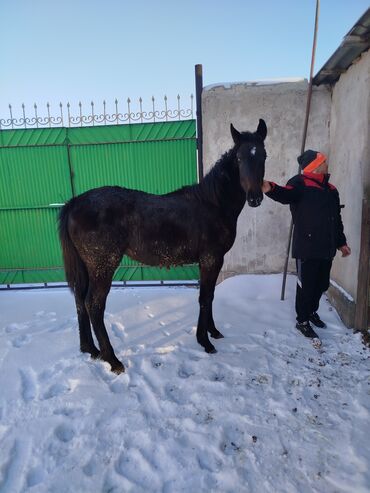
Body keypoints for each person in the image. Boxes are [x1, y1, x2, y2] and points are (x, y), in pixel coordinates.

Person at [262, 149, 351, 346]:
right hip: (307, 248)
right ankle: (302, 320)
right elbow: (286, 195)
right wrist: (270, 188)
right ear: (315, 165)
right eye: (324, 161)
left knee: (321, 285)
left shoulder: (332, 189)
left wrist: (341, 242)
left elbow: (336, 220)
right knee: (306, 286)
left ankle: (311, 312)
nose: (327, 163)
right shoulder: (299, 183)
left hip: (327, 248)